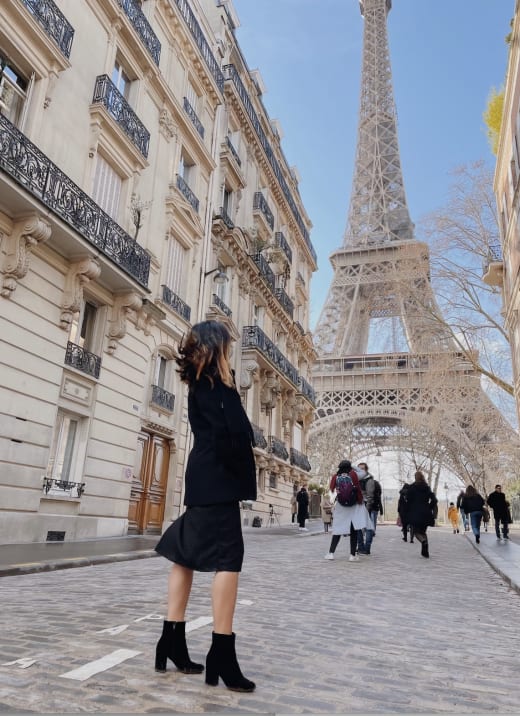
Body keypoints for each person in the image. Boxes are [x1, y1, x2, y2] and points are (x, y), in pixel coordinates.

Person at [154, 320, 256, 692]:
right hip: (219, 480)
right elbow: (234, 437)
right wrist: (242, 474)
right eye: (227, 346)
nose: (231, 352)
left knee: (186, 554)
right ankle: (222, 654)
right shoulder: (220, 387)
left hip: (201, 477)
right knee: (229, 559)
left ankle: (172, 640)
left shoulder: (198, 385)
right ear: (218, 349)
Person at [324, 460, 372, 562]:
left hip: (341, 506)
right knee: (354, 530)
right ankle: (352, 555)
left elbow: (332, 490)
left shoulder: (336, 477)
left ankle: (331, 553)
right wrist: (353, 467)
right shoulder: (354, 475)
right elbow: (364, 473)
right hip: (355, 505)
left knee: (337, 530)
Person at [405, 471, 438, 558]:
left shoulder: (412, 487)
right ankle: (425, 551)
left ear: (415, 478)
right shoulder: (427, 487)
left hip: (415, 512)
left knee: (416, 532)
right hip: (426, 512)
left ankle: (423, 541)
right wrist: (429, 507)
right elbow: (434, 500)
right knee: (423, 532)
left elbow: (408, 500)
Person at [356, 462, 379, 555]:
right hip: (359, 505)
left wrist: (367, 508)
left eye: (362, 469)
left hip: (366, 506)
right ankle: (361, 547)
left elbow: (370, 496)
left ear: (366, 470)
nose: (360, 470)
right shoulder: (358, 479)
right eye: (358, 469)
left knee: (368, 528)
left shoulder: (369, 480)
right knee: (358, 527)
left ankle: (367, 548)